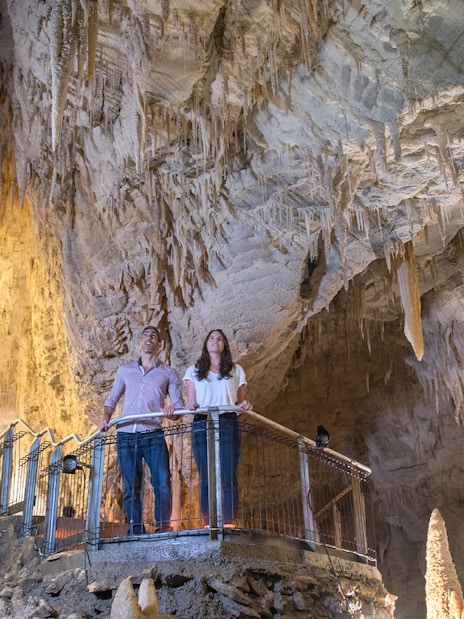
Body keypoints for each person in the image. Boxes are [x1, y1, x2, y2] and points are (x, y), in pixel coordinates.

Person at [99, 325, 184, 535]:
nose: (149, 338)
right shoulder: (125, 370)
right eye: (145, 335)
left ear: (159, 345)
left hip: (153, 433)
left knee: (162, 481)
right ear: (140, 342)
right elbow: (112, 399)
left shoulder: (168, 373)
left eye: (154, 335)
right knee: (130, 486)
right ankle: (135, 529)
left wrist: (172, 412)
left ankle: (163, 526)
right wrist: (106, 418)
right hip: (127, 434)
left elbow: (179, 407)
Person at [183, 329, 252, 527]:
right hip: (202, 421)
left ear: (225, 345)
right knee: (206, 476)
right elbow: (192, 401)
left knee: (228, 475)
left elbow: (239, 402)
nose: (215, 341)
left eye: (220, 338)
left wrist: (246, 405)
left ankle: (229, 523)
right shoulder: (193, 371)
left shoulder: (236, 370)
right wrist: (190, 406)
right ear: (206, 344)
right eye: (212, 338)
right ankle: (208, 523)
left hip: (228, 421)